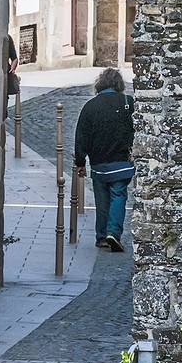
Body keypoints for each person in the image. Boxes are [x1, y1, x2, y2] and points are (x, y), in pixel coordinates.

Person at [74, 67, 134, 252]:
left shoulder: (90, 106)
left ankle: (101, 237)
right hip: (122, 161)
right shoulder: (127, 102)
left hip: (99, 163)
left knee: (102, 200)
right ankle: (113, 233)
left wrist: (80, 162)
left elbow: (81, 136)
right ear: (119, 84)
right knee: (118, 196)